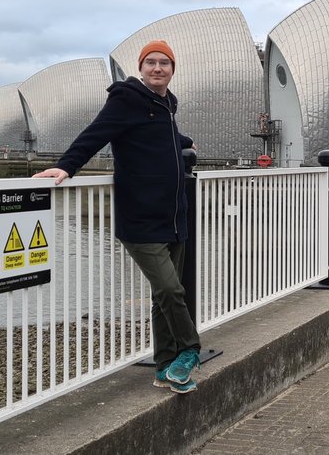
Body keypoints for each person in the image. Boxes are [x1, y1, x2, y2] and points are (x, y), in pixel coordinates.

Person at [33, 40, 202, 394]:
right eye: (151, 63)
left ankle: (165, 369)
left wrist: (185, 140)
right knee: (172, 289)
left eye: (165, 63)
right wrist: (66, 166)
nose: (158, 68)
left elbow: (159, 137)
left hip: (173, 216)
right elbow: (96, 134)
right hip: (140, 218)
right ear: (141, 68)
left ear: (173, 69)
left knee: (162, 296)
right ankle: (190, 350)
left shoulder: (165, 105)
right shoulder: (127, 99)